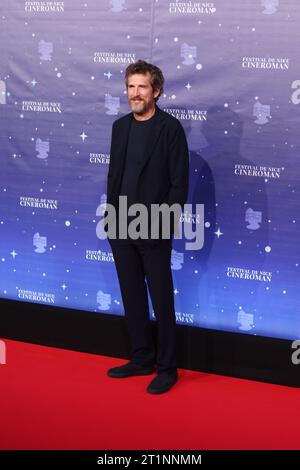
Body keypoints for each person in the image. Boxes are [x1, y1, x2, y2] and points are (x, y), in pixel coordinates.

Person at [105, 60, 189, 394]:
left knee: (161, 298)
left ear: (155, 90)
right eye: (130, 87)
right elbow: (115, 177)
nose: (134, 93)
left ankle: (167, 367)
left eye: (141, 87)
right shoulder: (120, 127)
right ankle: (142, 358)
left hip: (153, 226)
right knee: (132, 295)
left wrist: (162, 225)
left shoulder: (170, 129)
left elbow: (178, 185)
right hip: (121, 224)